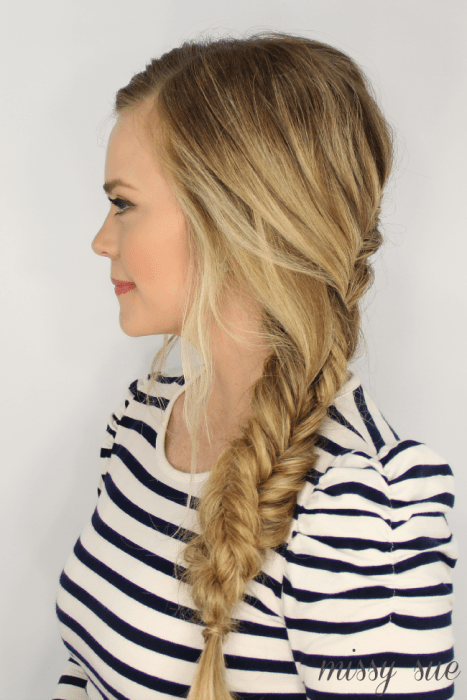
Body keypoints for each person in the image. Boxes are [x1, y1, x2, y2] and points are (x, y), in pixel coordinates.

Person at [52, 31, 458, 700]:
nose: (101, 240)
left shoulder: (360, 512)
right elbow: (87, 671)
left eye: (123, 202)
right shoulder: (143, 417)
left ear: (236, 219)